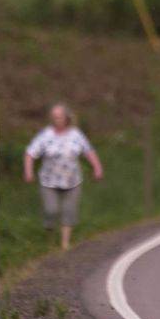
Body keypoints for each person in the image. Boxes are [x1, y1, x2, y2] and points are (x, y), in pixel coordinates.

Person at [23, 103, 103, 250]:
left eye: (59, 117)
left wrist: (97, 167)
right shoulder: (45, 135)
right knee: (50, 210)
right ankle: (50, 236)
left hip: (72, 180)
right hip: (49, 181)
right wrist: (28, 172)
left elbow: (88, 151)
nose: (56, 119)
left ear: (66, 118)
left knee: (69, 210)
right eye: (54, 117)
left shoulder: (76, 135)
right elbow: (30, 153)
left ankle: (65, 244)